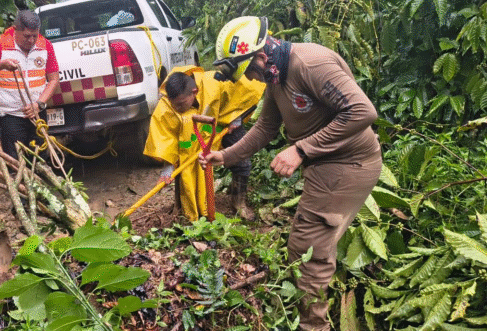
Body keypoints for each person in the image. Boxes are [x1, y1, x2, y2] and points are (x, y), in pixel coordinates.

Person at [200, 16, 382, 330]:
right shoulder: (275, 76)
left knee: (306, 248)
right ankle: (322, 292)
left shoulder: (309, 64)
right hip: (327, 165)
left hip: (348, 164)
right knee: (312, 245)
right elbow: (265, 128)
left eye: (251, 72)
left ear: (260, 56)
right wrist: (225, 156)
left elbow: (362, 111)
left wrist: (300, 149)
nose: (253, 80)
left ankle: (314, 326)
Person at [144, 65, 265, 221]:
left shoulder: (213, 81)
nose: (177, 108)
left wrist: (237, 116)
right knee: (184, 166)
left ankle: (238, 203)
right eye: (174, 105)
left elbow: (243, 89)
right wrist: (168, 166)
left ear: (194, 92)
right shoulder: (167, 105)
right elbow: (163, 135)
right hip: (192, 139)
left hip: (222, 123)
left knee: (241, 160)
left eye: (181, 104)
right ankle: (182, 207)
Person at [0, 10, 60, 160]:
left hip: (37, 114)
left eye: (34, 36)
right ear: (15, 30)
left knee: (41, 158)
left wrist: (39, 104)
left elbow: (54, 79)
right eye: (27, 36)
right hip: (11, 116)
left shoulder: (45, 45)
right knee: (15, 160)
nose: (31, 41)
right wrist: (1, 65)